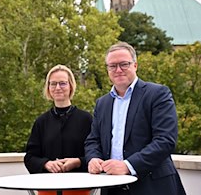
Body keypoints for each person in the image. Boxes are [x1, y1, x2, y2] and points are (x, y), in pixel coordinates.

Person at [85, 42, 186, 195]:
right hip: (112, 188)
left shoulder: (157, 94)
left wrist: (128, 165)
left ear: (135, 65)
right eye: (112, 66)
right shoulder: (102, 103)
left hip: (152, 187)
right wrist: (93, 158)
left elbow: (165, 140)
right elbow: (93, 140)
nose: (118, 70)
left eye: (124, 64)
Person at [24, 65, 93, 195]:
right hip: (48, 189)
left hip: (78, 189)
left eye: (62, 83)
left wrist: (78, 162)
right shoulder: (41, 122)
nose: (57, 88)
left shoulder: (86, 119)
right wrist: (45, 164)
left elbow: (96, 154)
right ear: (48, 88)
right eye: (53, 84)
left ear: (71, 86)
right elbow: (30, 157)